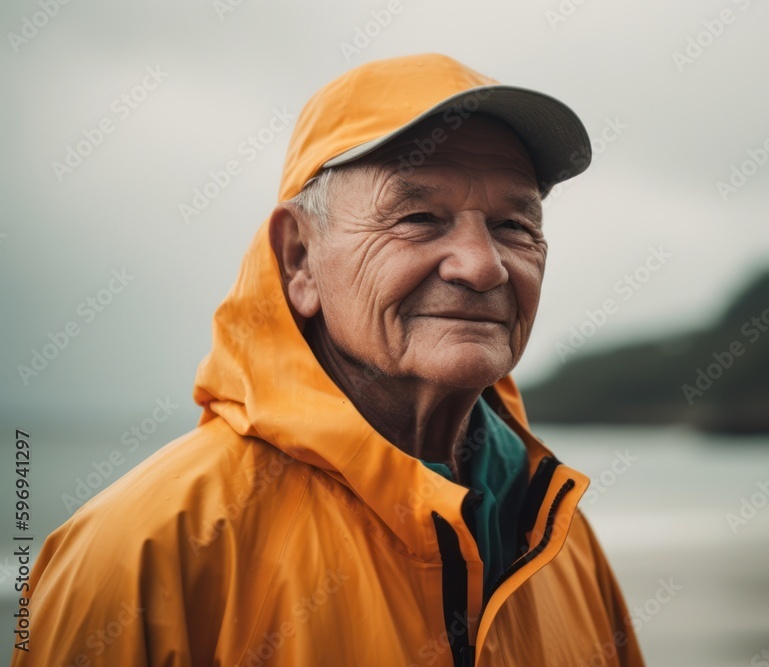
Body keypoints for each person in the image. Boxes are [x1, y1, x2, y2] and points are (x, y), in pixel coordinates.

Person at [14, 53, 645, 666]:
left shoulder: (554, 537)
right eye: (420, 217)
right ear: (298, 260)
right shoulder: (144, 555)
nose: (482, 266)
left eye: (515, 226)